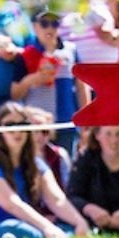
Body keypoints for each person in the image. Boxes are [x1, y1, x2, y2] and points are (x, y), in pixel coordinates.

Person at [0, 103, 90, 238]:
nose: (17, 131)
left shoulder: (36, 163)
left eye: (22, 124)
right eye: (10, 125)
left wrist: (79, 222)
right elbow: (12, 204)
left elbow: (56, 199)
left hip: (22, 221)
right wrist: (47, 227)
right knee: (28, 233)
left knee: (67, 228)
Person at [12, 9, 82, 151]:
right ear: (35, 27)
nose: (50, 28)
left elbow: (81, 86)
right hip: (37, 125)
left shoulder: (71, 50)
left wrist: (86, 119)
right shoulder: (26, 54)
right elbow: (15, 94)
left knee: (65, 162)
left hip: (65, 122)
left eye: (54, 24)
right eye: (44, 24)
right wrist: (31, 80)